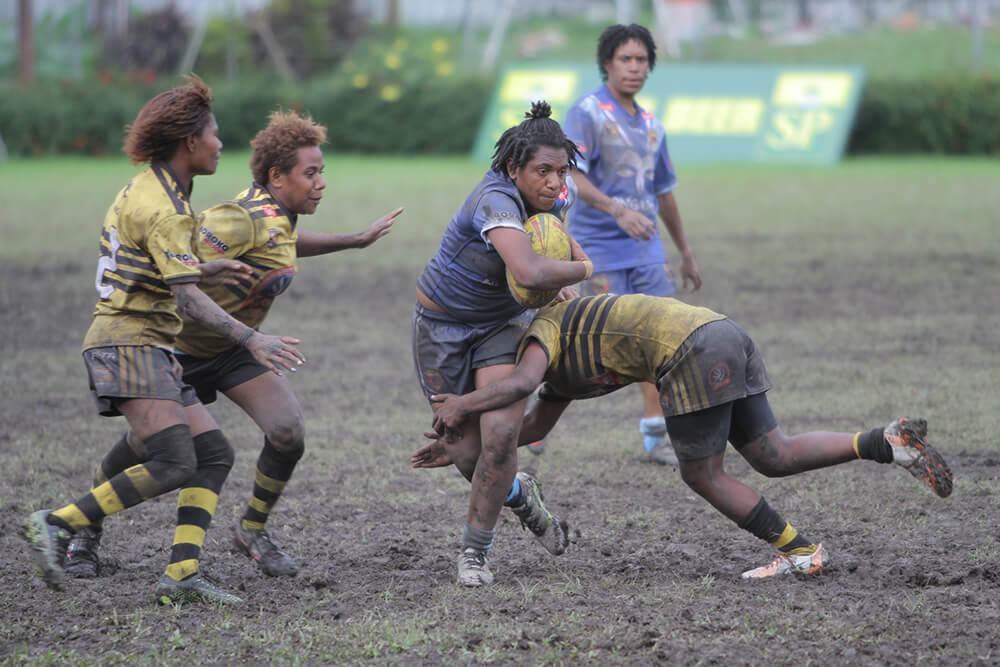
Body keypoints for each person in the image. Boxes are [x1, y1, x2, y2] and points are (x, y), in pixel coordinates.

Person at [62, 110, 403, 580]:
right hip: (177, 349)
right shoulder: (236, 218)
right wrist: (248, 333)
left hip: (229, 349)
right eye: (311, 172)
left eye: (322, 171)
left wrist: (354, 239)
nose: (321, 182)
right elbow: (178, 264)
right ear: (277, 176)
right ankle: (82, 530)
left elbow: (284, 242)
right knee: (150, 449)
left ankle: (252, 530)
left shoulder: (277, 218)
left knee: (287, 431)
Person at [413, 293, 953, 579]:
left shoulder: (541, 333)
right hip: (721, 331)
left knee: (702, 473)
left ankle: (802, 552)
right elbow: (529, 428)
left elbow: (524, 381)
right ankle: (887, 443)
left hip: (690, 350)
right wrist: (471, 446)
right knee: (772, 453)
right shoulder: (564, 345)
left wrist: (461, 404)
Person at [21, 75, 306, 605]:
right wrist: (251, 339)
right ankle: (57, 522)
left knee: (212, 453)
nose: (221, 144)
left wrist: (204, 267)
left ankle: (181, 575)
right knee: (175, 460)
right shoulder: (167, 207)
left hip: (143, 339)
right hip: (129, 341)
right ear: (189, 142)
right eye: (215, 134)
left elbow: (161, 264)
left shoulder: (153, 188)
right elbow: (189, 299)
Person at [413, 101, 594, 587]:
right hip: (442, 328)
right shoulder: (494, 201)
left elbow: (550, 248)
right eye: (543, 171)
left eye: (562, 171)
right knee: (467, 456)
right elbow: (531, 269)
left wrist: (559, 276)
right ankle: (519, 493)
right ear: (514, 168)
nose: (555, 182)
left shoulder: (559, 197)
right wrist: (584, 269)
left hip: (503, 325)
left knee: (498, 442)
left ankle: (474, 554)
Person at [552, 23, 703, 466]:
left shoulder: (653, 126)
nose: (634, 67)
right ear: (606, 64)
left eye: (641, 60)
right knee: (588, 348)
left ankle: (656, 437)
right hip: (596, 250)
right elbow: (570, 174)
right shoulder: (587, 112)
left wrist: (685, 249)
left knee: (664, 340)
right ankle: (536, 412)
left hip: (647, 250)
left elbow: (664, 190)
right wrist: (616, 210)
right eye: (626, 59)